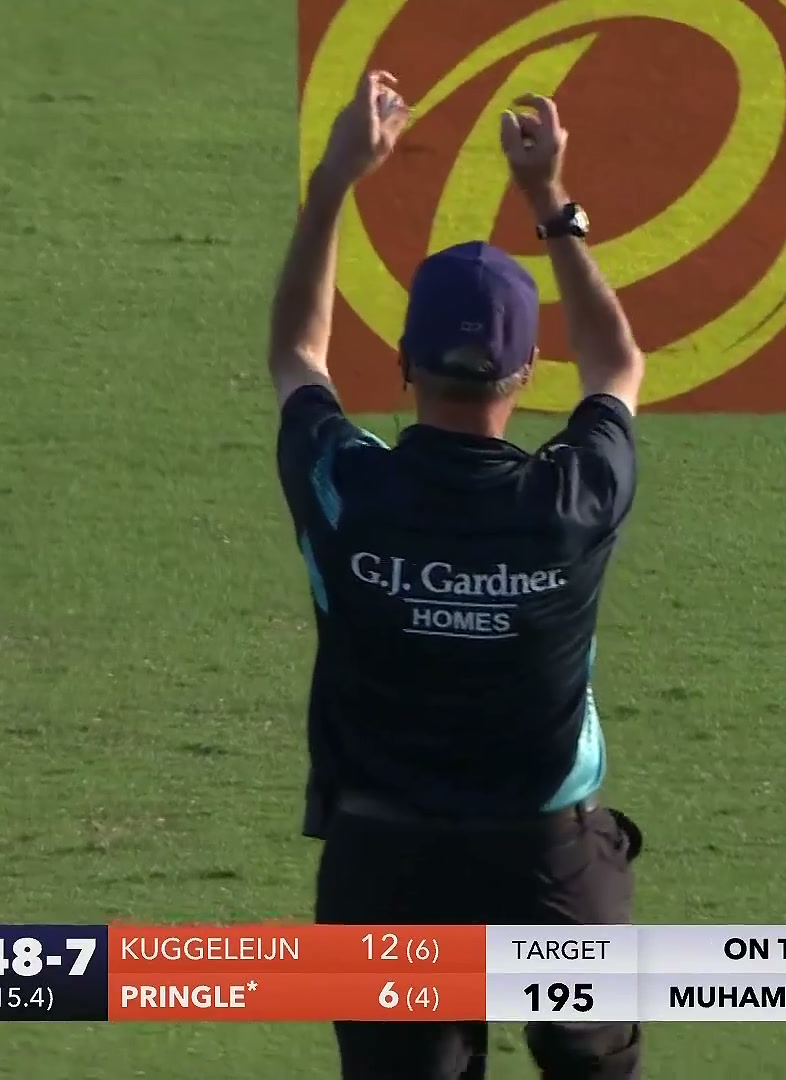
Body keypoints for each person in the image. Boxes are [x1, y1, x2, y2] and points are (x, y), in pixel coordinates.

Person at [265, 69, 647, 1080]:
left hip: (384, 866)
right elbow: (617, 367)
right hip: (551, 864)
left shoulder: (346, 488)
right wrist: (549, 202)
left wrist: (334, 183)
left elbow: (298, 355)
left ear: (404, 360)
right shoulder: (572, 499)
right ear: (526, 375)